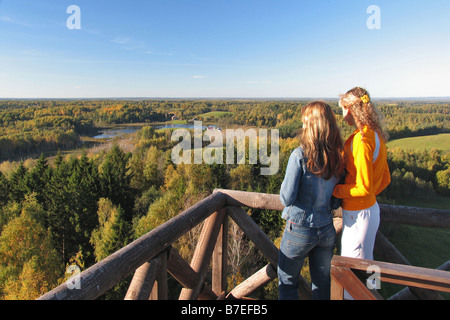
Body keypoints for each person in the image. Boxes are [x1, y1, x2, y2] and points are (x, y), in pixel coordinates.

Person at [278, 101, 345, 300]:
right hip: (326, 230)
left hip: (299, 230)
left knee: (288, 284)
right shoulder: (338, 157)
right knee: (322, 286)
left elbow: (286, 198)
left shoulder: (299, 155)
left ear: (310, 125)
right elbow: (335, 202)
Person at [332, 87, 391, 295]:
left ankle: (369, 296)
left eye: (342, 109)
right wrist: (369, 197)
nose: (342, 114)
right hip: (369, 211)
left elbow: (363, 188)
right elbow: (385, 178)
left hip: (358, 216)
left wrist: (336, 190)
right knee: (369, 265)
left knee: (352, 274)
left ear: (350, 109)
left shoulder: (362, 141)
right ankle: (375, 294)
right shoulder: (375, 136)